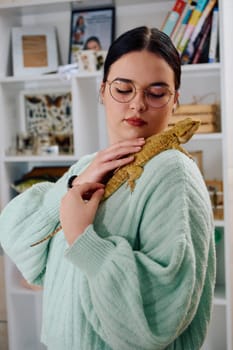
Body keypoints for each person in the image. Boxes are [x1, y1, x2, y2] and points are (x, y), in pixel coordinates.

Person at [0, 26, 216, 350]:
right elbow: (17, 240)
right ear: (102, 91)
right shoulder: (88, 165)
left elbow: (162, 311)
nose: (137, 104)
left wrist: (82, 237)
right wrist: (69, 189)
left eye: (156, 93)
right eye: (123, 89)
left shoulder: (173, 173)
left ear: (175, 101)